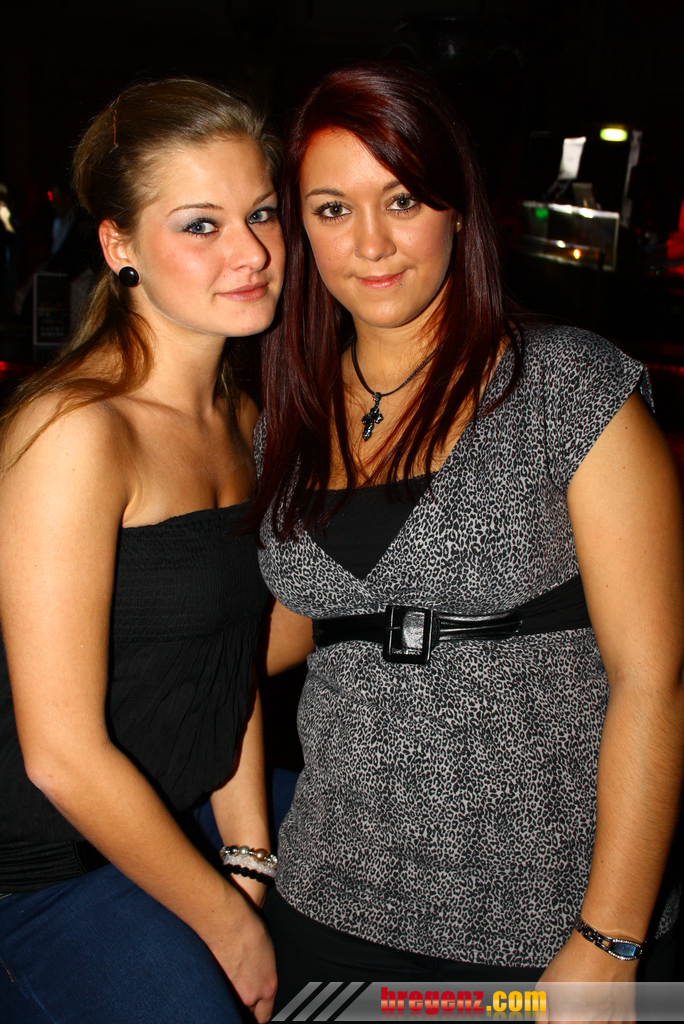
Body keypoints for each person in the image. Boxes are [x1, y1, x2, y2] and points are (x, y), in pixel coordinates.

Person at [252, 62, 684, 1009]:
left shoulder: (569, 389)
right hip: (328, 899)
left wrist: (611, 940)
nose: (371, 242)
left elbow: (654, 679)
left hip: (544, 923)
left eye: (402, 200)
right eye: (332, 209)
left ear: (457, 210)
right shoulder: (283, 420)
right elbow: (276, 633)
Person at [0, 78, 284, 1024]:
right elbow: (61, 756)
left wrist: (249, 859)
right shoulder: (76, 432)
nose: (252, 253)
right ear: (119, 247)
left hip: (188, 811)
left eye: (262, 214)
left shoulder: (242, 418)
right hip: (44, 869)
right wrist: (229, 924)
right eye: (201, 225)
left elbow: (228, 664)